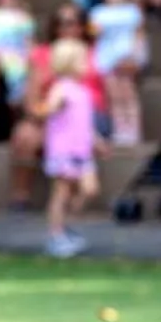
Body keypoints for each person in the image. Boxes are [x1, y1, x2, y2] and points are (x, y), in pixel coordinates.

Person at [14, 4, 105, 210]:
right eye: (60, 23)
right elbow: (32, 98)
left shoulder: (93, 53)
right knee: (25, 135)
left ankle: (67, 208)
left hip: (89, 117)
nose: (66, 28)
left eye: (72, 23)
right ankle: (21, 197)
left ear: (82, 26)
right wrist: (45, 116)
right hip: (52, 114)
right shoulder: (42, 54)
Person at [41, 39, 99, 258]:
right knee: (62, 191)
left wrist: (97, 141)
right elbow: (51, 107)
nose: (87, 65)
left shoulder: (83, 92)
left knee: (89, 188)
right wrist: (51, 107)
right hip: (64, 150)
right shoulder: (61, 88)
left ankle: (66, 224)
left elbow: (84, 123)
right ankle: (56, 234)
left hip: (82, 150)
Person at [89, 0, 146, 145]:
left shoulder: (133, 11)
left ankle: (133, 131)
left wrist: (137, 57)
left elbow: (139, 35)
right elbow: (92, 34)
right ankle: (120, 130)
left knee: (129, 95)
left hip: (127, 59)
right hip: (107, 59)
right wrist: (95, 30)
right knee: (115, 97)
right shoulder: (97, 12)